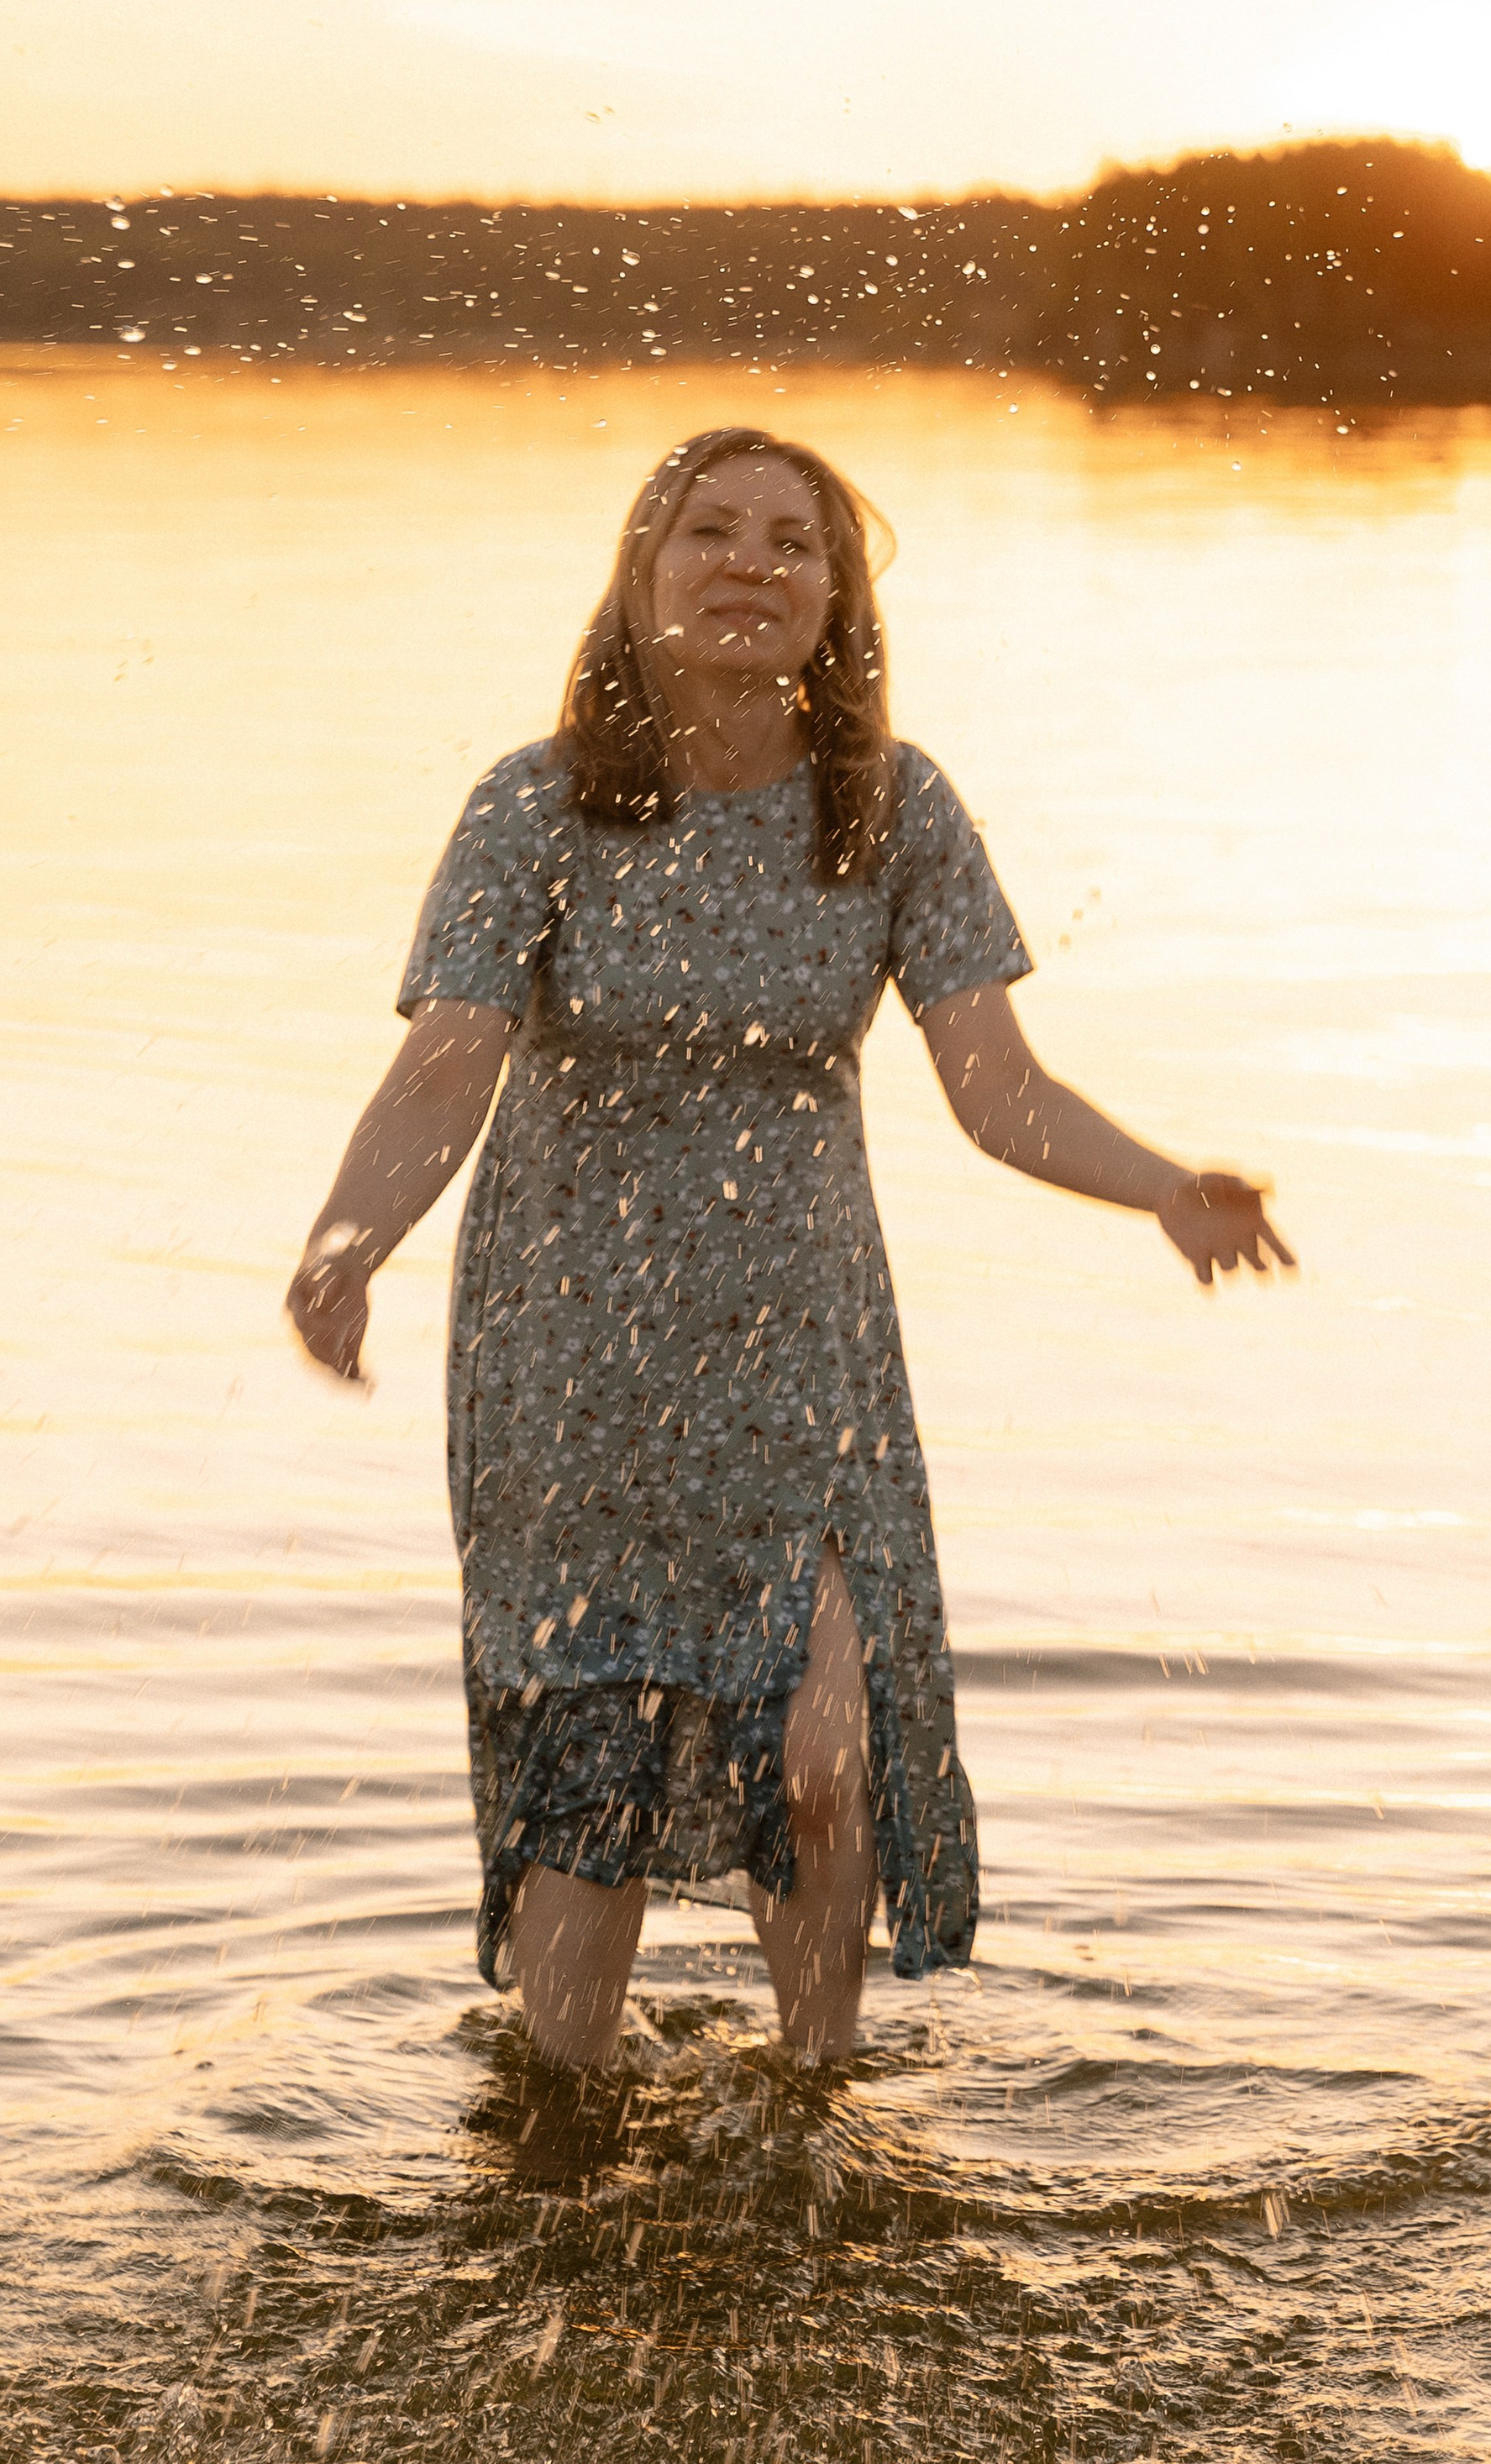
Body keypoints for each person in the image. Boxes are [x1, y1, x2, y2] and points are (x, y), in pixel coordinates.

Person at [286, 427, 1290, 2072]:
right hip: (571, 1357)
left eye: (792, 543)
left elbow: (997, 1088)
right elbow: (445, 1062)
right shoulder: (531, 808)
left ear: (839, 601)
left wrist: (1165, 1187)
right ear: (640, 572)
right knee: (589, 1764)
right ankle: (560, 2115)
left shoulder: (890, 814)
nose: (749, 563)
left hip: (796, 1356)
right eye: (709, 532)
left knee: (823, 1753)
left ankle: (818, 2097)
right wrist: (346, 1241)